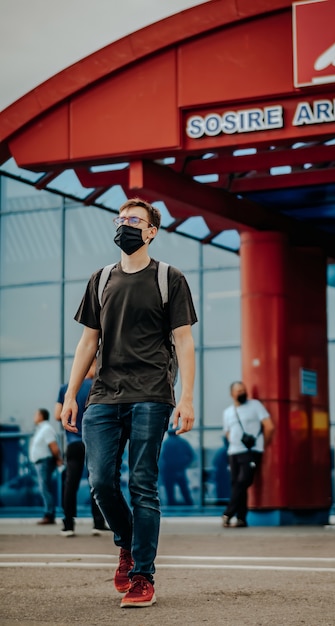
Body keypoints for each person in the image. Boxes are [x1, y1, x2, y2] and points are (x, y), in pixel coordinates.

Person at [60, 197, 197, 609]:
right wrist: (70, 395)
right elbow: (88, 341)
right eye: (121, 219)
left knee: (142, 483)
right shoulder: (100, 279)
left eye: (134, 220)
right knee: (100, 481)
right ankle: (128, 543)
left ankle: (142, 575)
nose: (125, 225)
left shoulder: (169, 278)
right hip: (103, 396)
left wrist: (186, 397)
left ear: (152, 231)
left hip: (152, 394)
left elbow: (184, 341)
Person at [55, 359, 108, 537]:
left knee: (70, 484)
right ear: (92, 366)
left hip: (73, 442)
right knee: (96, 481)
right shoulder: (97, 386)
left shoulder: (66, 388)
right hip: (93, 441)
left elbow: (57, 415)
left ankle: (68, 525)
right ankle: (98, 523)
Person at [222, 381, 274, 528]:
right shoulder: (228, 412)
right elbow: (227, 432)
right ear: (232, 394)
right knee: (237, 484)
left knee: (242, 481)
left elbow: (269, 426)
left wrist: (262, 445)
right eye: (238, 390)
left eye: (243, 390)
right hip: (234, 451)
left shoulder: (255, 405)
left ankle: (228, 513)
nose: (242, 392)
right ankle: (241, 519)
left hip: (251, 451)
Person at [29, 408, 63, 525]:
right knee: (44, 487)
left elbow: (53, 446)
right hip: (41, 462)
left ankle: (49, 514)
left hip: (45, 462)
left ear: (41, 416)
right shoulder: (41, 429)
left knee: (45, 488)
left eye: (36, 414)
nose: (34, 416)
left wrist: (58, 459)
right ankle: (49, 513)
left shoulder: (46, 429)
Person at [160, 425, 195, 505]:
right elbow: (191, 456)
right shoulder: (183, 442)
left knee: (170, 494)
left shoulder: (166, 443)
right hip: (179, 470)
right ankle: (189, 506)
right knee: (185, 492)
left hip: (169, 471)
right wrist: (183, 465)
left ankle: (172, 509)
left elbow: (162, 459)